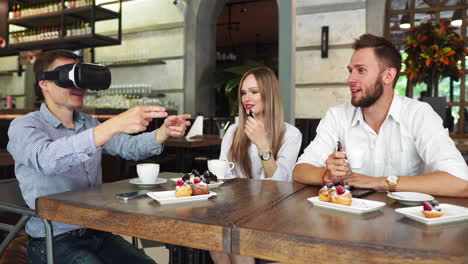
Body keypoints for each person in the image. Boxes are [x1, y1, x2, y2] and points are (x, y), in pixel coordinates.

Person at [7, 49, 191, 264]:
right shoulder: (25, 125)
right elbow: (46, 160)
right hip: (53, 239)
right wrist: (111, 126)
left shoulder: (88, 123)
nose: (78, 86)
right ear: (44, 83)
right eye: (68, 76)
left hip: (97, 231)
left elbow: (128, 147)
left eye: (81, 76)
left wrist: (162, 133)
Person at [293, 34, 468, 197]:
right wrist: (328, 175)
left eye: (361, 70)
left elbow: (461, 182)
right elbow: (300, 170)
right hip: (351, 221)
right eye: (350, 70)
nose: (350, 79)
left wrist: (379, 182)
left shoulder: (419, 114)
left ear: (388, 76)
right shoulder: (337, 116)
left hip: (407, 222)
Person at [210, 66, 302, 264]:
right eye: (243, 92)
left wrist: (262, 145)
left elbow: (280, 183)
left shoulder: (291, 134)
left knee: (238, 239)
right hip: (236, 208)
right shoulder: (234, 132)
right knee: (216, 241)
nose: (246, 98)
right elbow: (222, 175)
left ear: (268, 94)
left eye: (253, 92)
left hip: (274, 210)